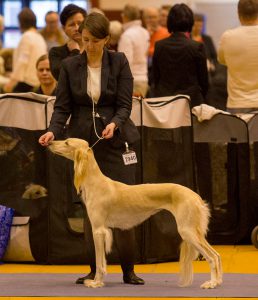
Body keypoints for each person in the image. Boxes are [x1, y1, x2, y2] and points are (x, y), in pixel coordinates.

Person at [38, 12, 144, 285]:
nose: (90, 45)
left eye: (96, 41)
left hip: (116, 141)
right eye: (85, 40)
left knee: (126, 206)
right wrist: (52, 130)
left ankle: (129, 271)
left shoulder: (119, 61)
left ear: (107, 40)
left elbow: (124, 104)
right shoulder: (71, 66)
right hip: (84, 146)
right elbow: (62, 108)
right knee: (91, 209)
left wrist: (116, 124)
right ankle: (95, 270)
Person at [150, 4, 209, 107]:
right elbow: (204, 81)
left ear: (170, 22)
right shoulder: (197, 47)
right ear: (190, 22)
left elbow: (155, 77)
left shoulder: (159, 46)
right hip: (190, 102)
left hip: (165, 101)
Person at [218, 0, 258, 113]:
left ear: (238, 13)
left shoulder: (227, 36)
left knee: (239, 131)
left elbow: (221, 60)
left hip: (237, 103)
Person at [3, 8, 47, 93]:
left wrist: (11, 83)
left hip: (27, 84)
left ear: (21, 22)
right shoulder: (39, 37)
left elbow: (22, 61)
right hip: (37, 82)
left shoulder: (26, 36)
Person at [118, 4, 149, 97]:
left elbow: (125, 62)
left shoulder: (127, 35)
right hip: (144, 78)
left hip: (133, 81)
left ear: (125, 16)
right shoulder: (145, 32)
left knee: (133, 111)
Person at [49, 4, 87, 81]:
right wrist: (74, 52)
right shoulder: (56, 52)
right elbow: (61, 76)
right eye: (72, 25)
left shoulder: (94, 48)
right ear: (64, 28)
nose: (77, 28)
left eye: (80, 23)